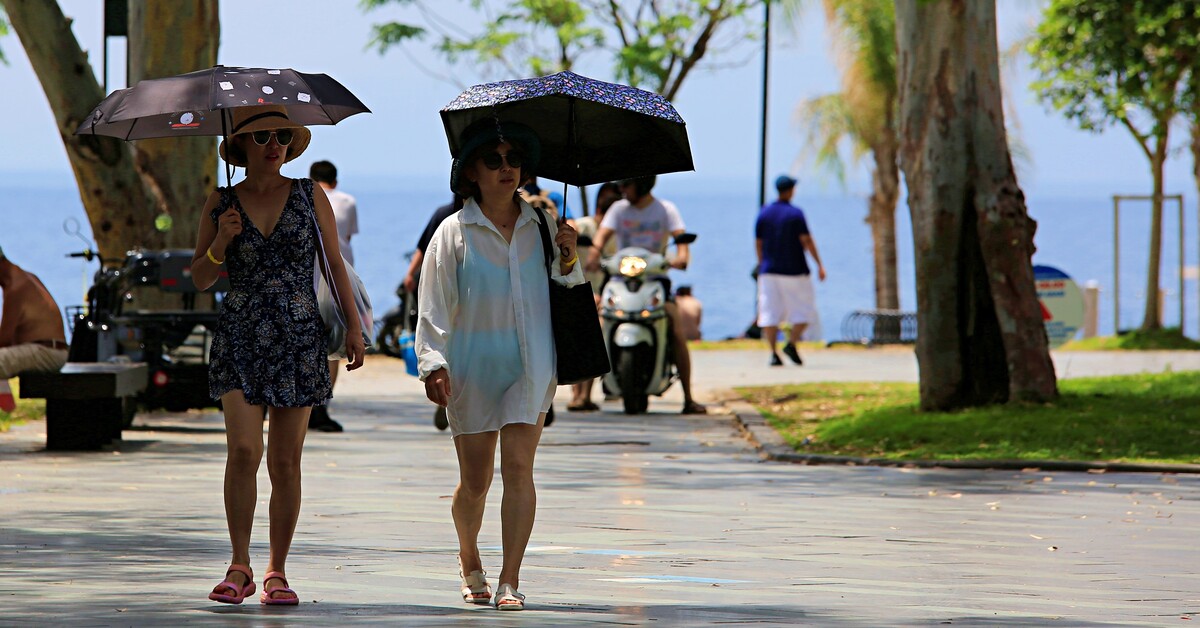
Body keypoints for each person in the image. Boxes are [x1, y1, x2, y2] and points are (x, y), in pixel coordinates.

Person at [192, 104, 365, 606]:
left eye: (282, 136)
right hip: (241, 333)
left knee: (287, 461)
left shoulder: (310, 196)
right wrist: (222, 240)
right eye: (263, 135)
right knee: (244, 451)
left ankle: (276, 571)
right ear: (240, 146)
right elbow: (201, 277)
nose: (275, 144)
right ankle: (239, 563)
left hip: (299, 333)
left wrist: (354, 328)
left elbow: (334, 263)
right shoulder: (220, 202)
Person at [416, 119, 582, 611]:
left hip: (532, 364)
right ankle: (470, 559)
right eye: (494, 160)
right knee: (476, 481)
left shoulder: (546, 226)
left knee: (519, 469)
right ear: (471, 173)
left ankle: (510, 577)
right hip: (471, 367)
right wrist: (432, 364)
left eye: (513, 160)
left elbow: (568, 293)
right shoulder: (453, 232)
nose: (507, 168)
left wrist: (570, 258)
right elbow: (433, 303)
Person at [585, 176, 707, 414]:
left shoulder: (666, 210)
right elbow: (601, 237)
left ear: (641, 184)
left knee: (675, 326)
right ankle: (584, 396)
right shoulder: (618, 210)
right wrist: (593, 256)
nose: (622, 190)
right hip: (620, 280)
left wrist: (682, 255)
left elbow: (680, 239)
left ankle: (688, 398)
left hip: (654, 279)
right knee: (598, 323)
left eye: (626, 185)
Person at [308, 160, 359, 433]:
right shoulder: (347, 202)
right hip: (339, 281)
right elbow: (347, 237)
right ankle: (323, 404)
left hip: (308, 278)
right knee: (333, 347)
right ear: (335, 181)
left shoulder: (304, 199)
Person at [403, 196, 462, 431]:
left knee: (449, 342)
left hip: (450, 293)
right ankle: (447, 390)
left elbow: (421, 247)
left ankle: (446, 390)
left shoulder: (444, 213)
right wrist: (411, 274)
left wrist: (410, 274)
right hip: (451, 290)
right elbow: (425, 245)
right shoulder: (448, 218)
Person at [755, 174, 826, 366]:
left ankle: (772, 353)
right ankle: (791, 343)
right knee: (805, 311)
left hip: (769, 271)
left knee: (769, 312)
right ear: (790, 190)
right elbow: (807, 240)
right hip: (795, 270)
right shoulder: (795, 214)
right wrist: (819, 264)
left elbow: (758, 243)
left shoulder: (764, 212)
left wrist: (761, 264)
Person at [566, 181, 620, 412]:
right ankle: (579, 394)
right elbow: (572, 228)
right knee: (588, 329)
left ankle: (585, 394)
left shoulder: (617, 234)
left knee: (595, 330)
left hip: (603, 294)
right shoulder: (587, 226)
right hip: (579, 291)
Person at [0, 246, 69, 381]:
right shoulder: (26, 277)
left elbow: (4, 340)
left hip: (46, 352)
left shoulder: (16, 288)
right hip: (52, 351)